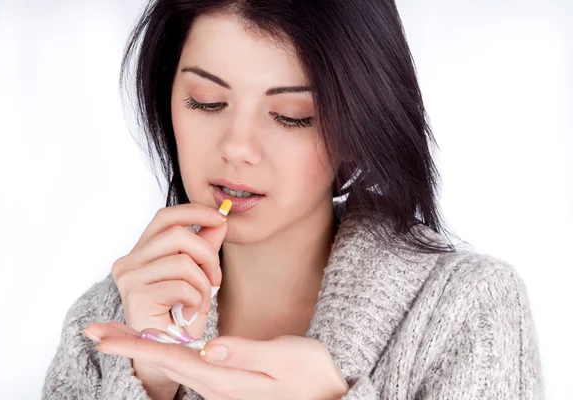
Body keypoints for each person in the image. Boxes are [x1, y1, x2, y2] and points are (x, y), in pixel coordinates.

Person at [42, 1, 544, 399]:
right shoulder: (108, 316)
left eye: (291, 115)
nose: (237, 147)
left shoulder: (466, 308)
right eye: (206, 102)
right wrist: (147, 379)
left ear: (359, 125)